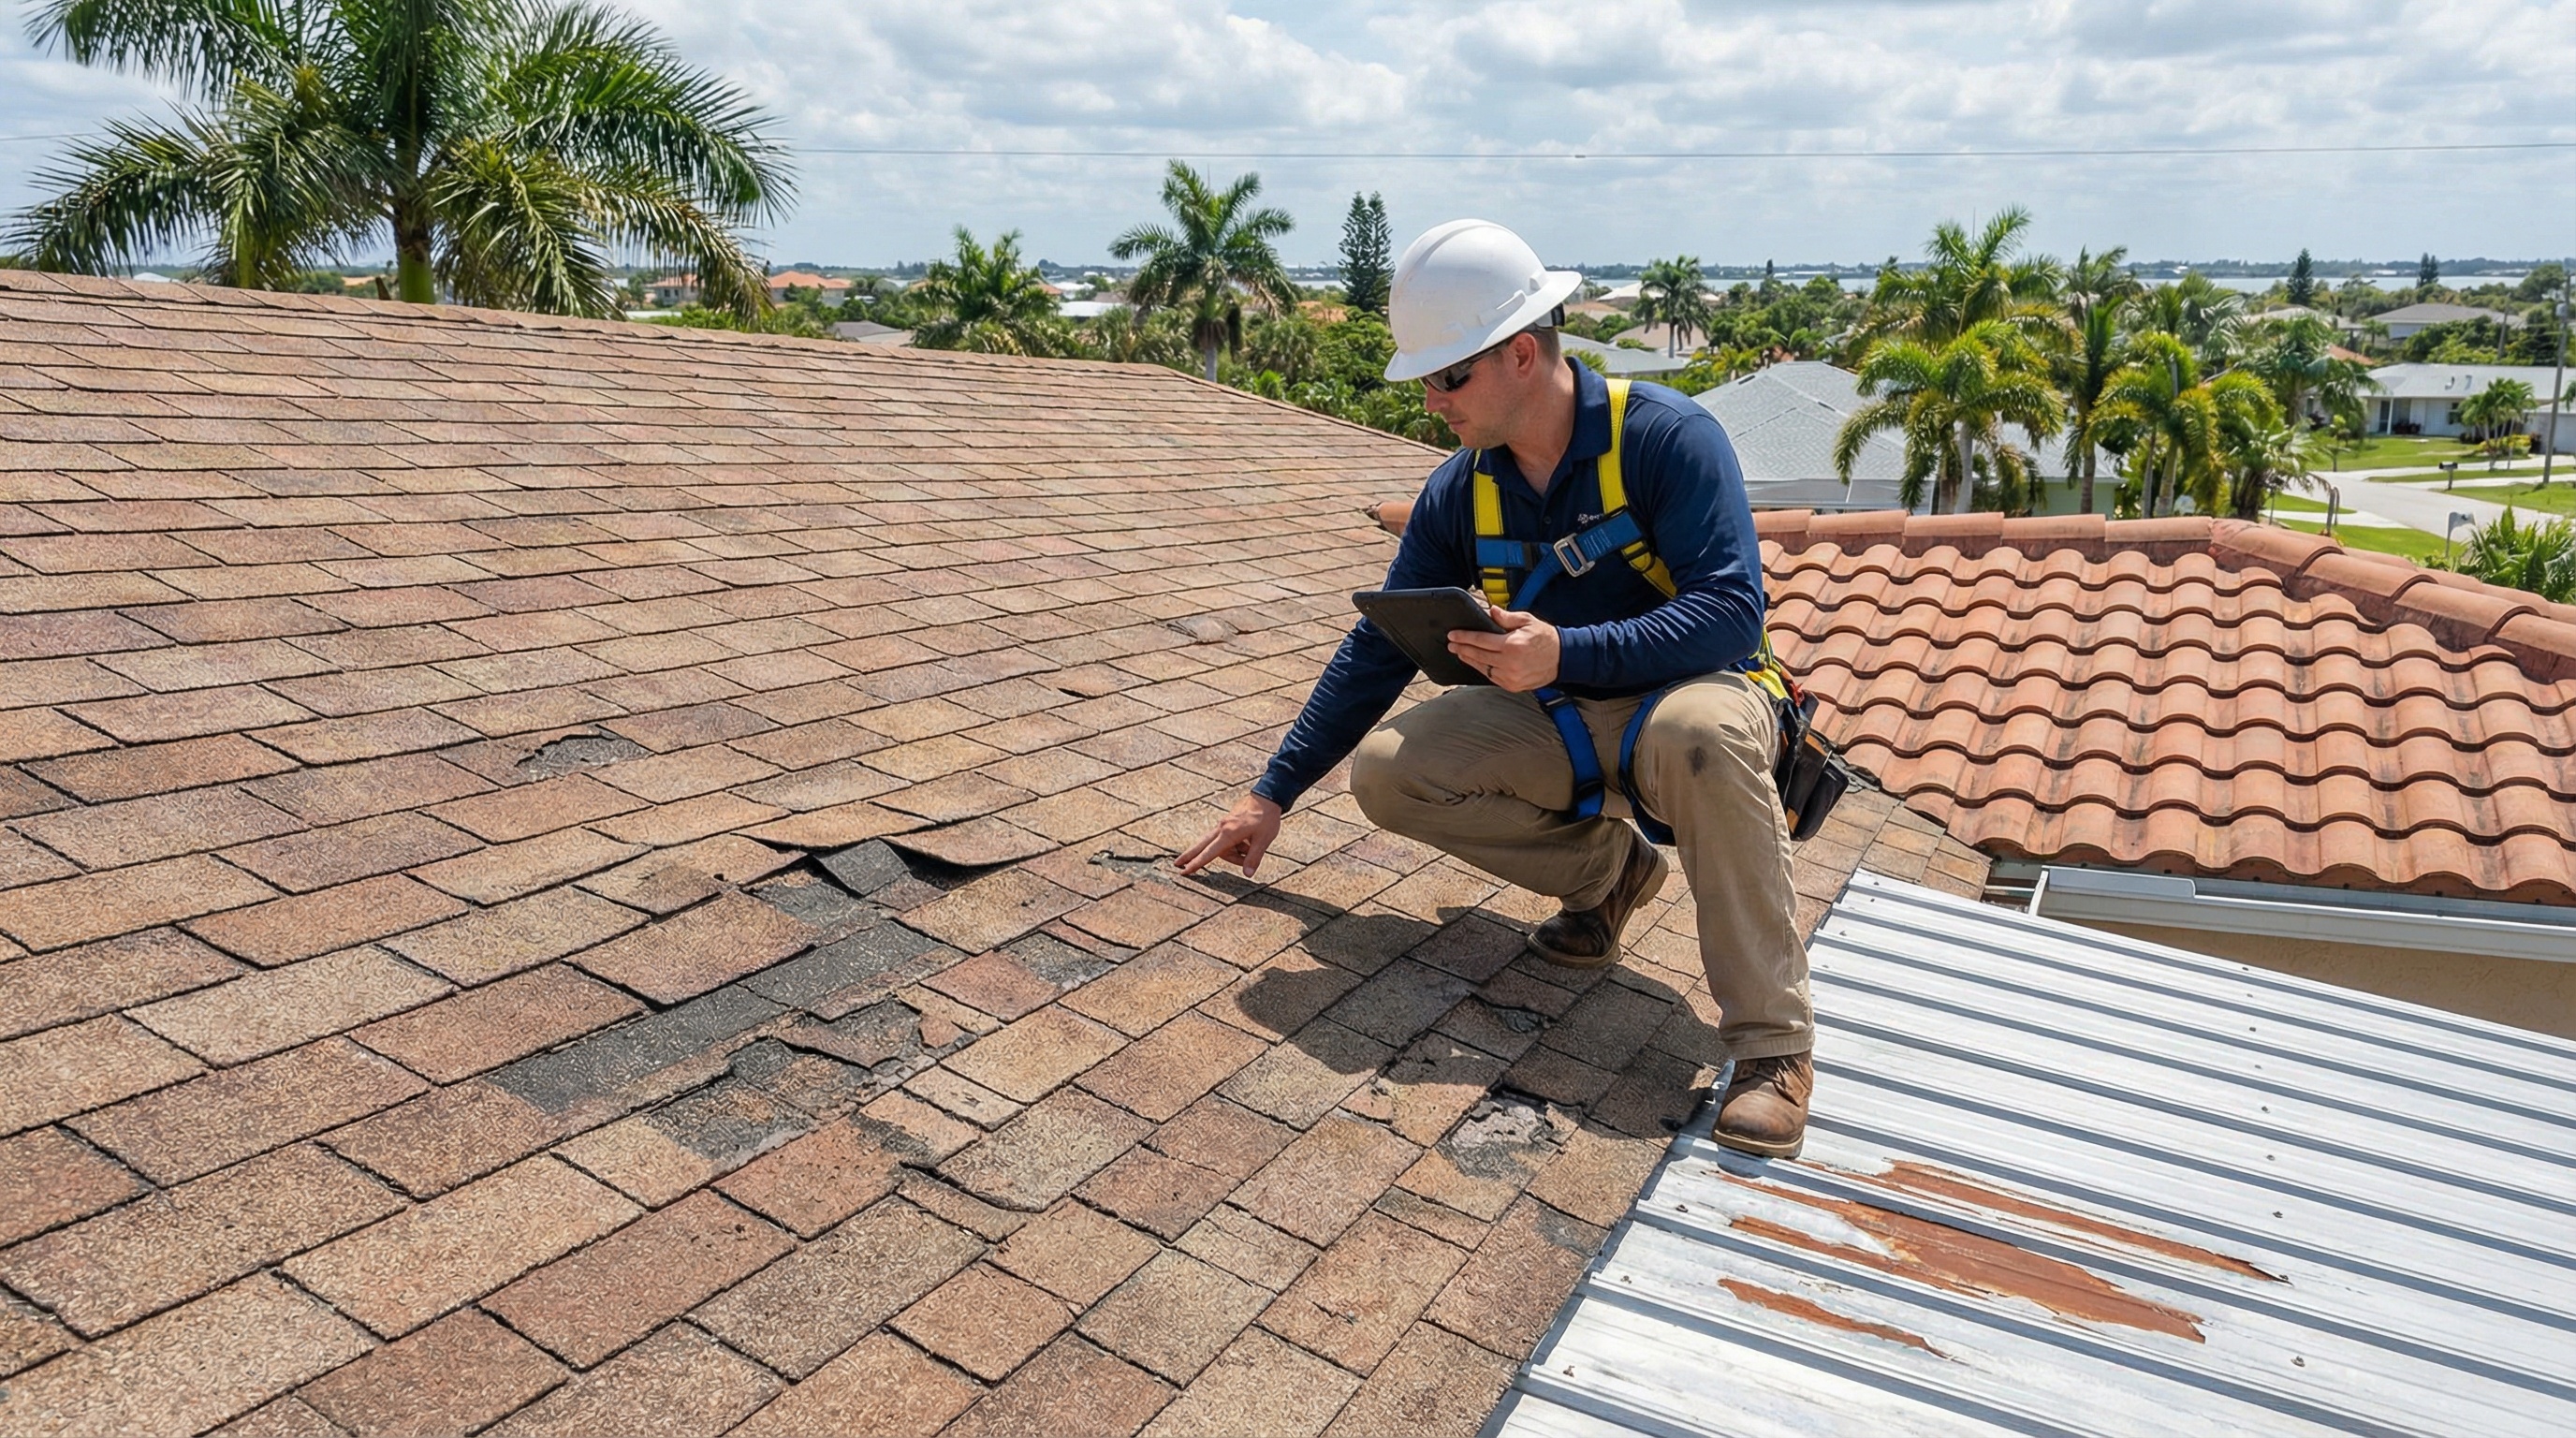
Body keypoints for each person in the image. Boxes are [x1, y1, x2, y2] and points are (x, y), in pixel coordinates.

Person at [1176, 219, 1813, 1158]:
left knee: (1698, 732)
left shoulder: (1666, 439)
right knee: (1393, 768)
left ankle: (1772, 1050)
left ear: (1521, 353)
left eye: (1448, 377)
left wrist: (1565, 653)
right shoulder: (1460, 492)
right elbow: (1376, 650)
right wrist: (1270, 793)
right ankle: (1608, 879)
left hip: (1697, 696)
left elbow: (1728, 613)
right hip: (1565, 713)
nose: (1432, 401)